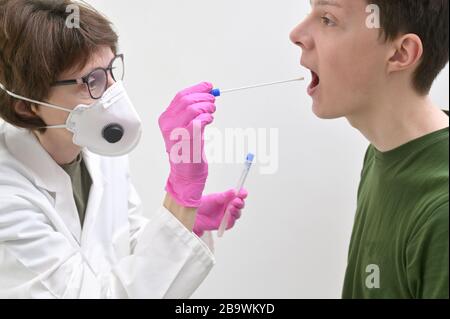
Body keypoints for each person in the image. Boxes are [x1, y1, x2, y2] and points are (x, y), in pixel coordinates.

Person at [0, 0, 247, 298]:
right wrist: (181, 193)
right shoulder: (8, 200)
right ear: (27, 107)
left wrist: (184, 222)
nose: (113, 93)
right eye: (92, 80)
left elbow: (123, 246)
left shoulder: (97, 148)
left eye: (110, 69)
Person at [289, 0, 449, 298]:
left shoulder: (442, 213)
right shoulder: (383, 152)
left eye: (327, 19)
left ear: (401, 53)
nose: (296, 33)